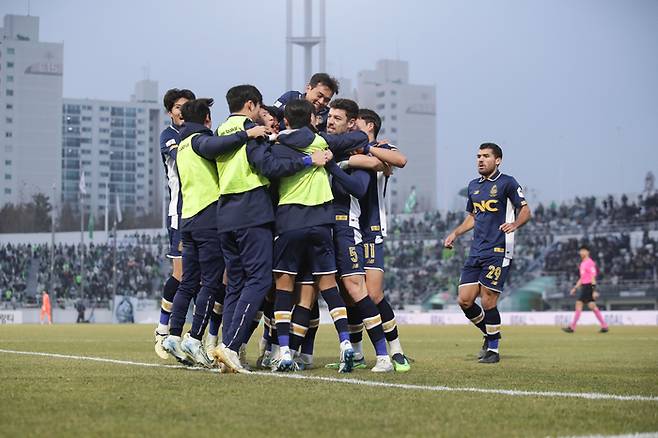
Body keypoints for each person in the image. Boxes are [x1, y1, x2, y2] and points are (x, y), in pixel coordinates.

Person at [211, 85, 330, 373]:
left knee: (236, 285)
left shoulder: (221, 131)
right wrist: (307, 160)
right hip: (251, 211)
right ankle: (230, 345)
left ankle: (229, 348)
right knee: (261, 282)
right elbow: (267, 165)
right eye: (260, 108)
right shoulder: (252, 130)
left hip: (225, 213)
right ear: (251, 104)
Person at [444, 143, 531, 364]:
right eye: (478, 156)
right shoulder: (473, 186)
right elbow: (473, 216)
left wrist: (514, 224)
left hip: (499, 250)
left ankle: (493, 350)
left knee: (488, 301)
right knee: (464, 300)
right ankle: (490, 332)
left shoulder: (507, 183)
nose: (480, 160)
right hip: (476, 251)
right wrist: (456, 233)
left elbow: (526, 210)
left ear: (498, 160)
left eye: (486, 156)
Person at [154, 88, 196, 359]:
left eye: (187, 107)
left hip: (202, 212)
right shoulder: (169, 136)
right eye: (179, 107)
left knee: (203, 278)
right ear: (170, 111)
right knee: (181, 275)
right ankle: (162, 330)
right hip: (179, 213)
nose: (182, 111)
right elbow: (182, 158)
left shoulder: (197, 134)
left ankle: (194, 338)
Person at [562, 245, 609, 333]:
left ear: (588, 252)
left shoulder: (590, 263)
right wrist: (575, 288)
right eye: (580, 251)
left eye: (583, 251)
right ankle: (604, 326)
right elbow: (582, 278)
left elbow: (593, 278)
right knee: (592, 306)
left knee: (579, 303)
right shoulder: (582, 263)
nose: (581, 252)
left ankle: (572, 327)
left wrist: (594, 290)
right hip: (584, 286)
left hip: (588, 286)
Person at [273, 72, 339, 132]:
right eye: (319, 96)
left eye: (326, 100)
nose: (321, 101)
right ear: (308, 88)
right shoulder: (291, 97)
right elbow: (273, 113)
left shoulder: (328, 115)